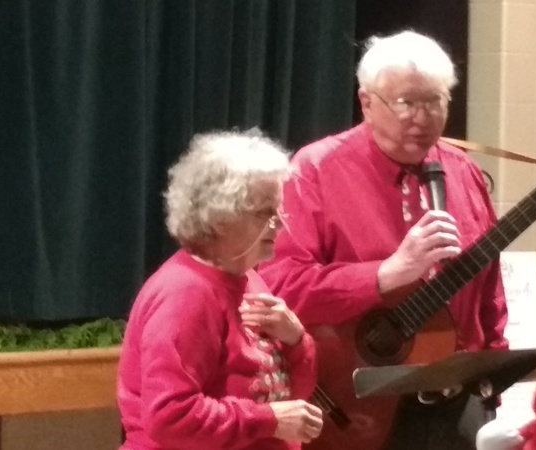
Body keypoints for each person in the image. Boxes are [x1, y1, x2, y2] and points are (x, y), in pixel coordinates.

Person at [257, 30, 508, 449]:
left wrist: (495, 375)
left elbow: (489, 290)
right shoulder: (315, 169)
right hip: (356, 405)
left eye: (435, 101)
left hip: (458, 397)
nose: (423, 117)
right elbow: (280, 287)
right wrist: (386, 274)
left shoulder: (462, 172)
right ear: (367, 103)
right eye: (407, 103)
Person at [117, 130, 323, 450]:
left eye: (278, 210)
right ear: (218, 219)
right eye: (264, 213)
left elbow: (293, 394)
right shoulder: (185, 294)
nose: (279, 223)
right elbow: (170, 417)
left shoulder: (246, 277)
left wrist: (296, 340)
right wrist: (268, 420)